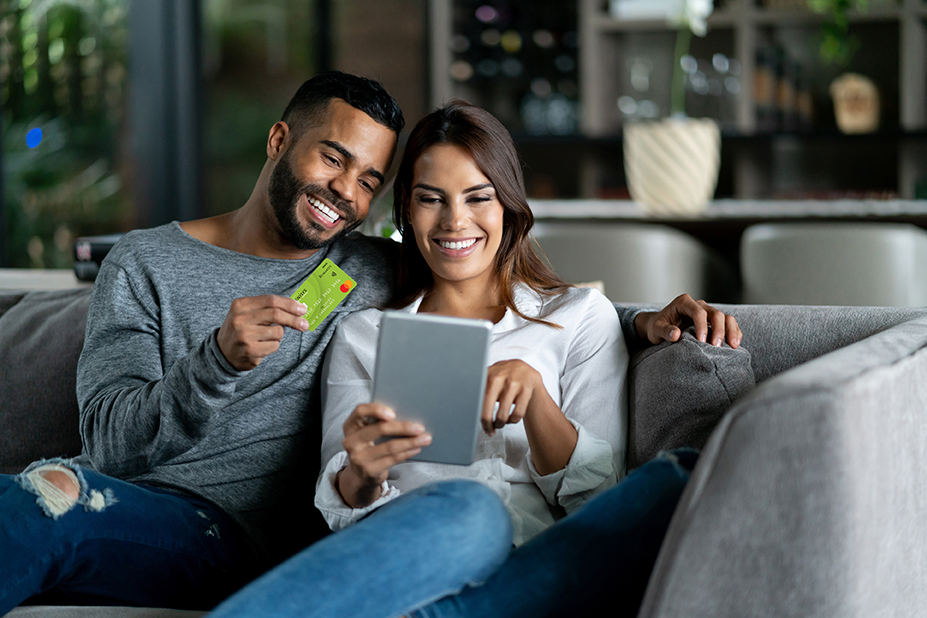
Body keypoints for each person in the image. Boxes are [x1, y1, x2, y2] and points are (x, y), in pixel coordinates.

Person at [0, 69, 736, 614]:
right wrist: (216, 361)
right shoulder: (147, 263)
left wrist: (638, 323)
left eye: (368, 180)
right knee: (41, 494)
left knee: (673, 478)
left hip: (267, 540)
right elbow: (110, 447)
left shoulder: (354, 266)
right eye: (332, 159)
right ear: (279, 139)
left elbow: (507, 288)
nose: (344, 192)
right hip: (168, 513)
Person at [205, 101, 741, 618]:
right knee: (471, 511)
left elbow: (597, 500)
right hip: (419, 553)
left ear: (507, 204)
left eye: (478, 197)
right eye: (431, 199)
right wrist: (361, 475)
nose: (454, 222)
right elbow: (342, 507)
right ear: (407, 212)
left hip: (536, 569)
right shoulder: (364, 335)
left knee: (679, 481)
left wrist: (536, 401)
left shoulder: (579, 316)